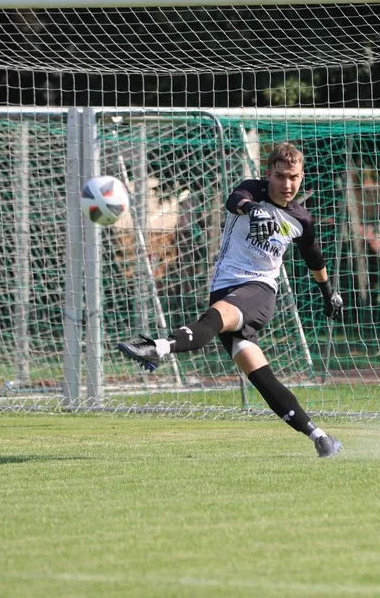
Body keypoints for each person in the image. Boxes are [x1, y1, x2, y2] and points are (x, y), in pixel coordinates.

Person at [118, 142, 345, 458]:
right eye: (280, 176)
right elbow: (234, 200)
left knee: (212, 319)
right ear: (268, 175)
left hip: (259, 292)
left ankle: (156, 348)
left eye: (293, 177)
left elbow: (313, 257)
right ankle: (320, 437)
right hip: (225, 288)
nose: (287, 184)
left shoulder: (301, 220)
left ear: (302, 176)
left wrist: (328, 292)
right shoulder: (252, 192)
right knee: (262, 378)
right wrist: (254, 209)